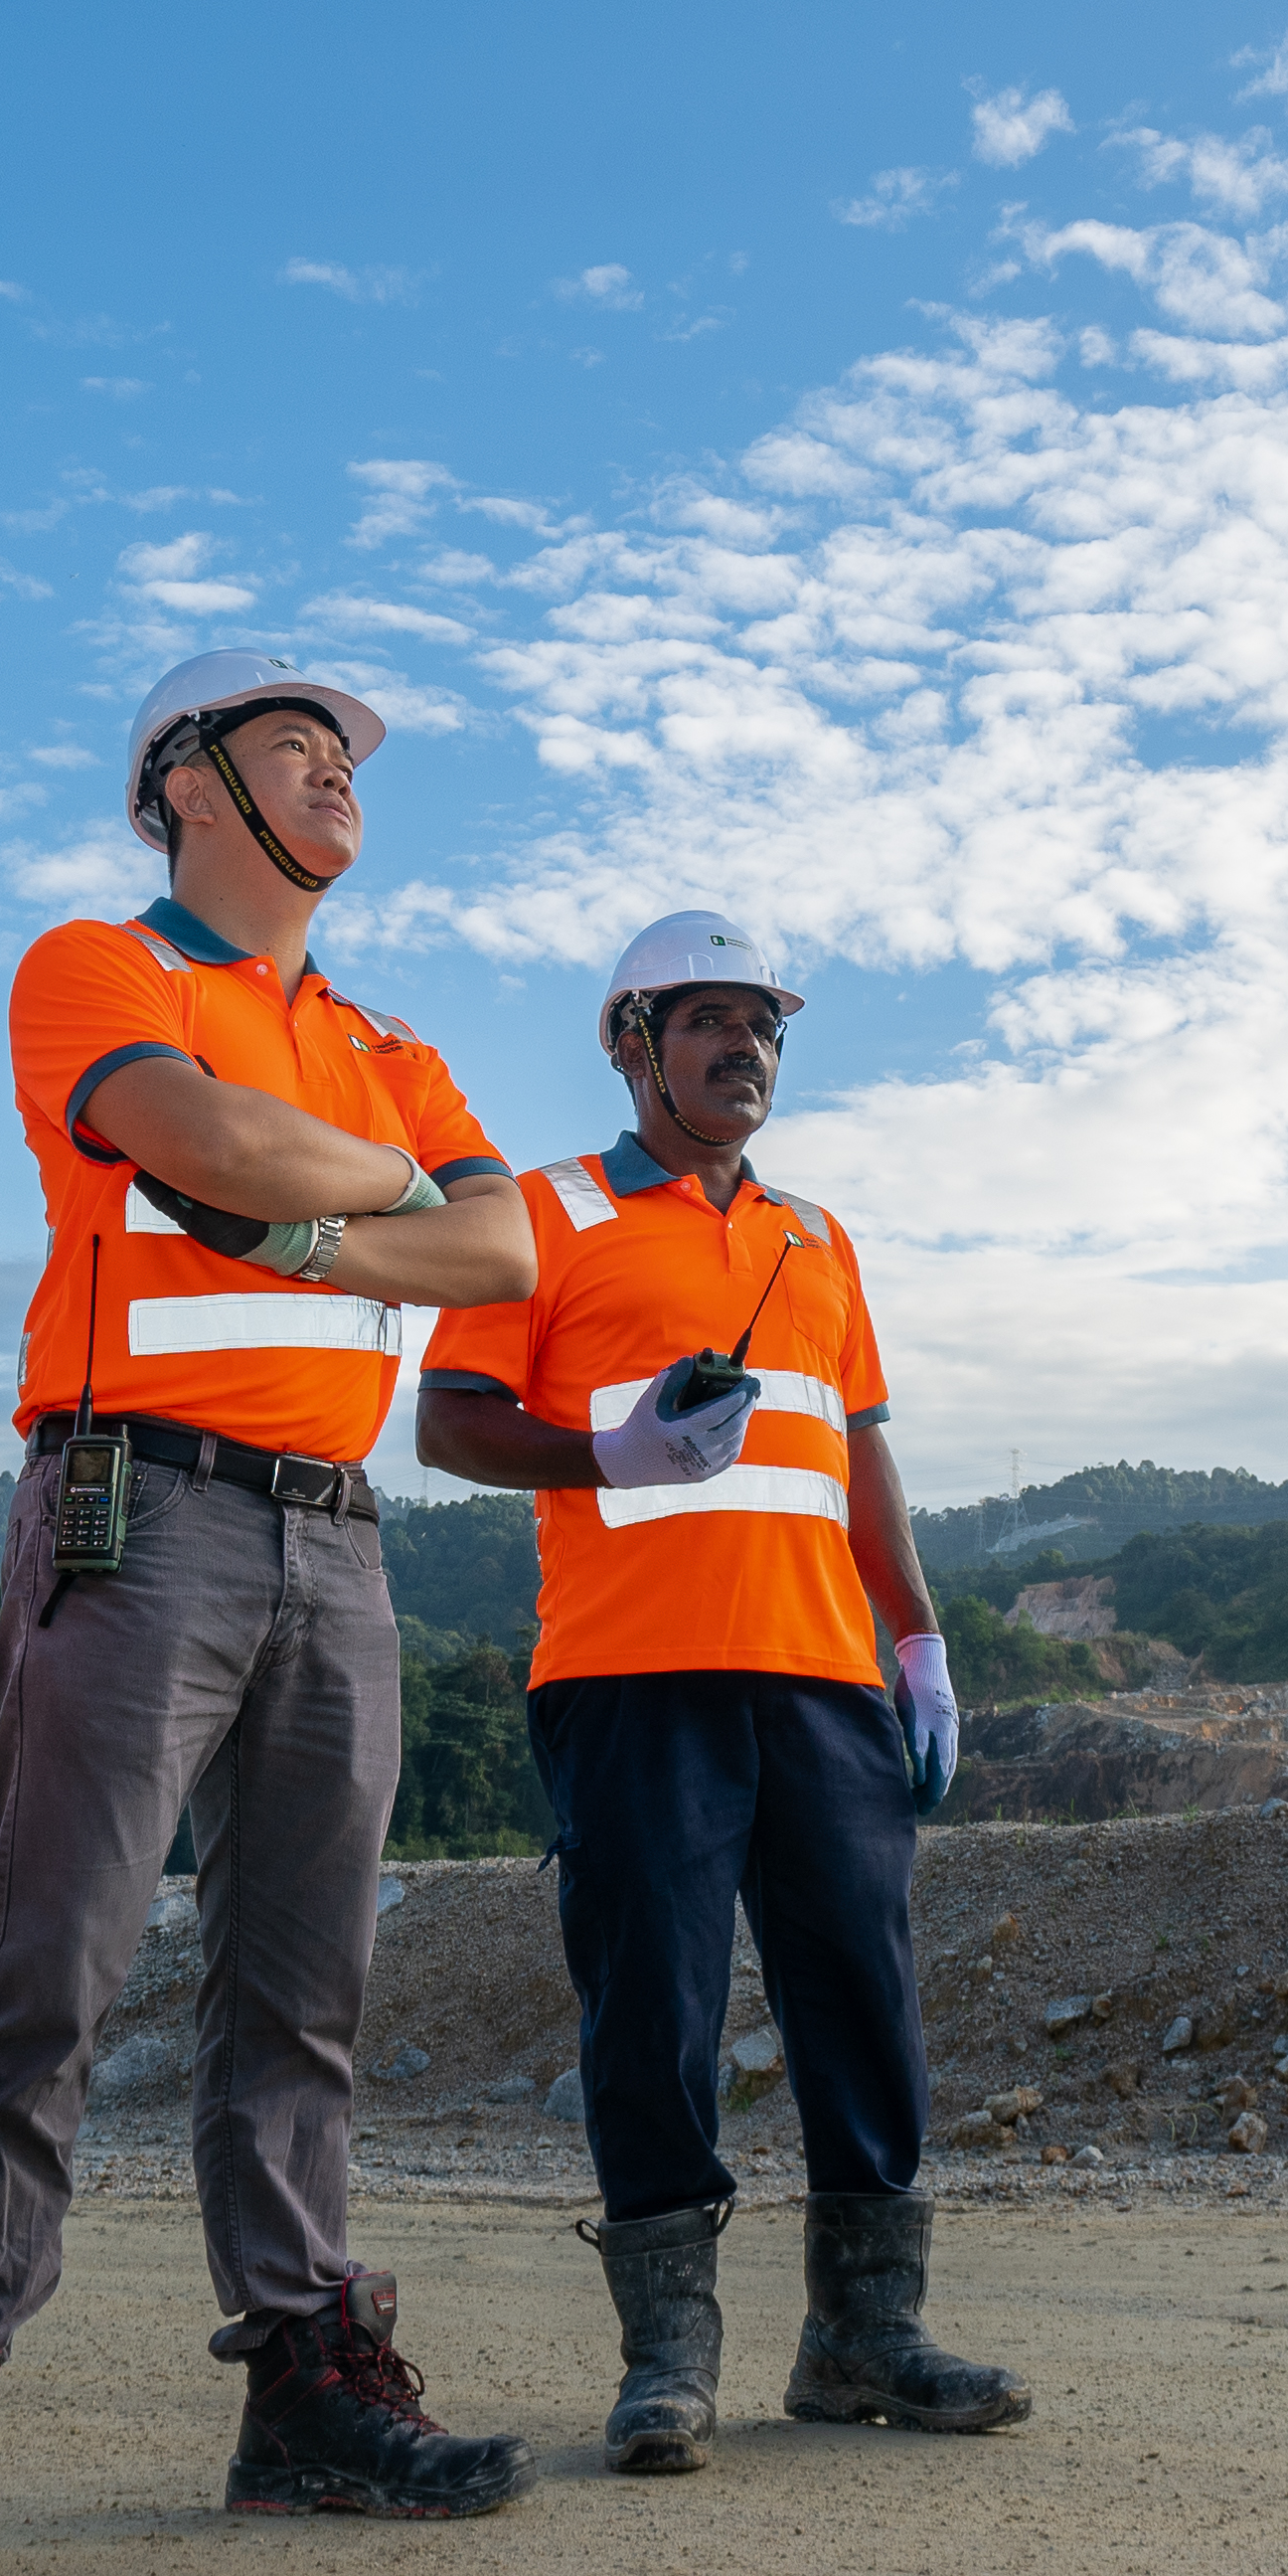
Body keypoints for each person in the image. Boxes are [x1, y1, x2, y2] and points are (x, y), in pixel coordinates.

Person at [0, 650, 548, 2576]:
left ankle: (305, 2389)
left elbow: (506, 1248)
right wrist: (354, 1190)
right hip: (140, 1509)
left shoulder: (385, 1036)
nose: (342, 780)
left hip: (337, 1538)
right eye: (299, 749)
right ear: (182, 785)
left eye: (353, 760)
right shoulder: (98, 968)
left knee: (304, 1988)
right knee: (49, 1960)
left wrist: (315, 1208)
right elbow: (195, 1144)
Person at [414, 916, 1030, 2469]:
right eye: (709, 1020)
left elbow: (859, 1447)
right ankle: (668, 2359)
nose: (743, 1048)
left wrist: (921, 1635)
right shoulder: (538, 1217)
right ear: (632, 1040)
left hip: (824, 1675)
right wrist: (613, 1452)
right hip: (631, 1680)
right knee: (655, 2011)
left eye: (763, 1024)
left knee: (864, 2002)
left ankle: (864, 2335)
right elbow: (450, 1425)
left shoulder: (819, 1240)